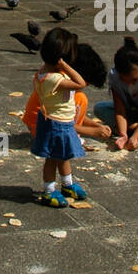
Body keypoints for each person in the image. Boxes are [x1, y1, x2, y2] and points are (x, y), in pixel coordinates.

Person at [30, 27, 89, 206]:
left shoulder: (44, 72)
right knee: (52, 158)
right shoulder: (54, 79)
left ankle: (67, 184)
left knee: (63, 156)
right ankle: (49, 190)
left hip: (62, 122)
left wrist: (59, 65)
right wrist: (65, 66)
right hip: (56, 124)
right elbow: (81, 83)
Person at [23, 42, 111, 144]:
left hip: (37, 125)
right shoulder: (63, 84)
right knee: (81, 99)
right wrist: (93, 132)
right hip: (44, 128)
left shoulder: (55, 75)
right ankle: (69, 138)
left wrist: (96, 126)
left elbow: (68, 112)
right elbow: (61, 121)